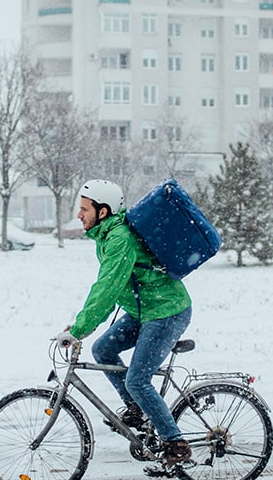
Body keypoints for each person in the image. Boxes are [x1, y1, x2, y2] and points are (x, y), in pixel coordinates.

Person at [55, 179, 193, 469]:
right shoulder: (107, 235)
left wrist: (79, 329)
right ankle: (138, 409)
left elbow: (106, 289)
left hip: (166, 311)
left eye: (84, 209)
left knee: (138, 380)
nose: (79, 214)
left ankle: (176, 444)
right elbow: (113, 287)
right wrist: (82, 326)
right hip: (146, 310)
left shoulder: (119, 239)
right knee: (103, 349)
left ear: (102, 212)